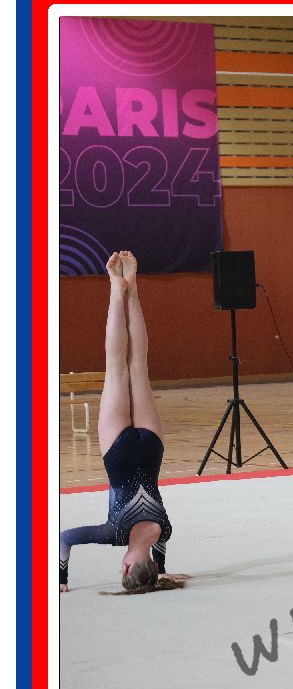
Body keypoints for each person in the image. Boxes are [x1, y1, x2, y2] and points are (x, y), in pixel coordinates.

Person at [60, 251, 183, 593]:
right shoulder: (114, 534)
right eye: (122, 569)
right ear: (127, 565)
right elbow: (64, 538)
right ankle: (116, 288)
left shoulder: (164, 531)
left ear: (151, 567)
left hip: (151, 448)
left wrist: (163, 572)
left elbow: (159, 549)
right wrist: (61, 579)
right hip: (118, 452)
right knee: (116, 366)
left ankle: (133, 287)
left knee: (139, 364)